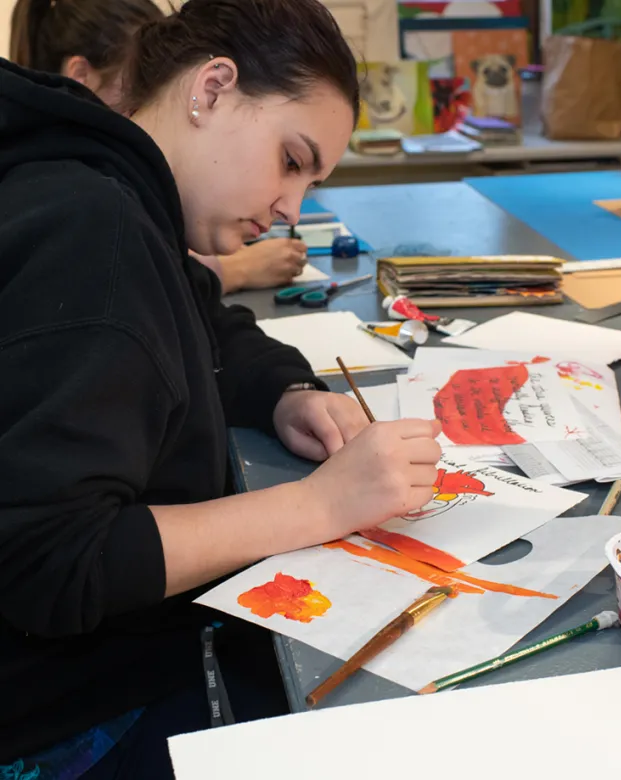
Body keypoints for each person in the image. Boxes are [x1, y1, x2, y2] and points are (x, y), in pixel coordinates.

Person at [0, 0, 442, 777]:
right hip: (59, 724)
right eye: (291, 160)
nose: (289, 210)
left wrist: (287, 392)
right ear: (212, 89)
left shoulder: (118, 186)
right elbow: (49, 561)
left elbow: (204, 321)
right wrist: (318, 506)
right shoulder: (94, 234)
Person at [9, 0, 309, 293]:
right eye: (138, 80)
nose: (151, 99)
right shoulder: (88, 211)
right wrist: (237, 269)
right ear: (81, 77)